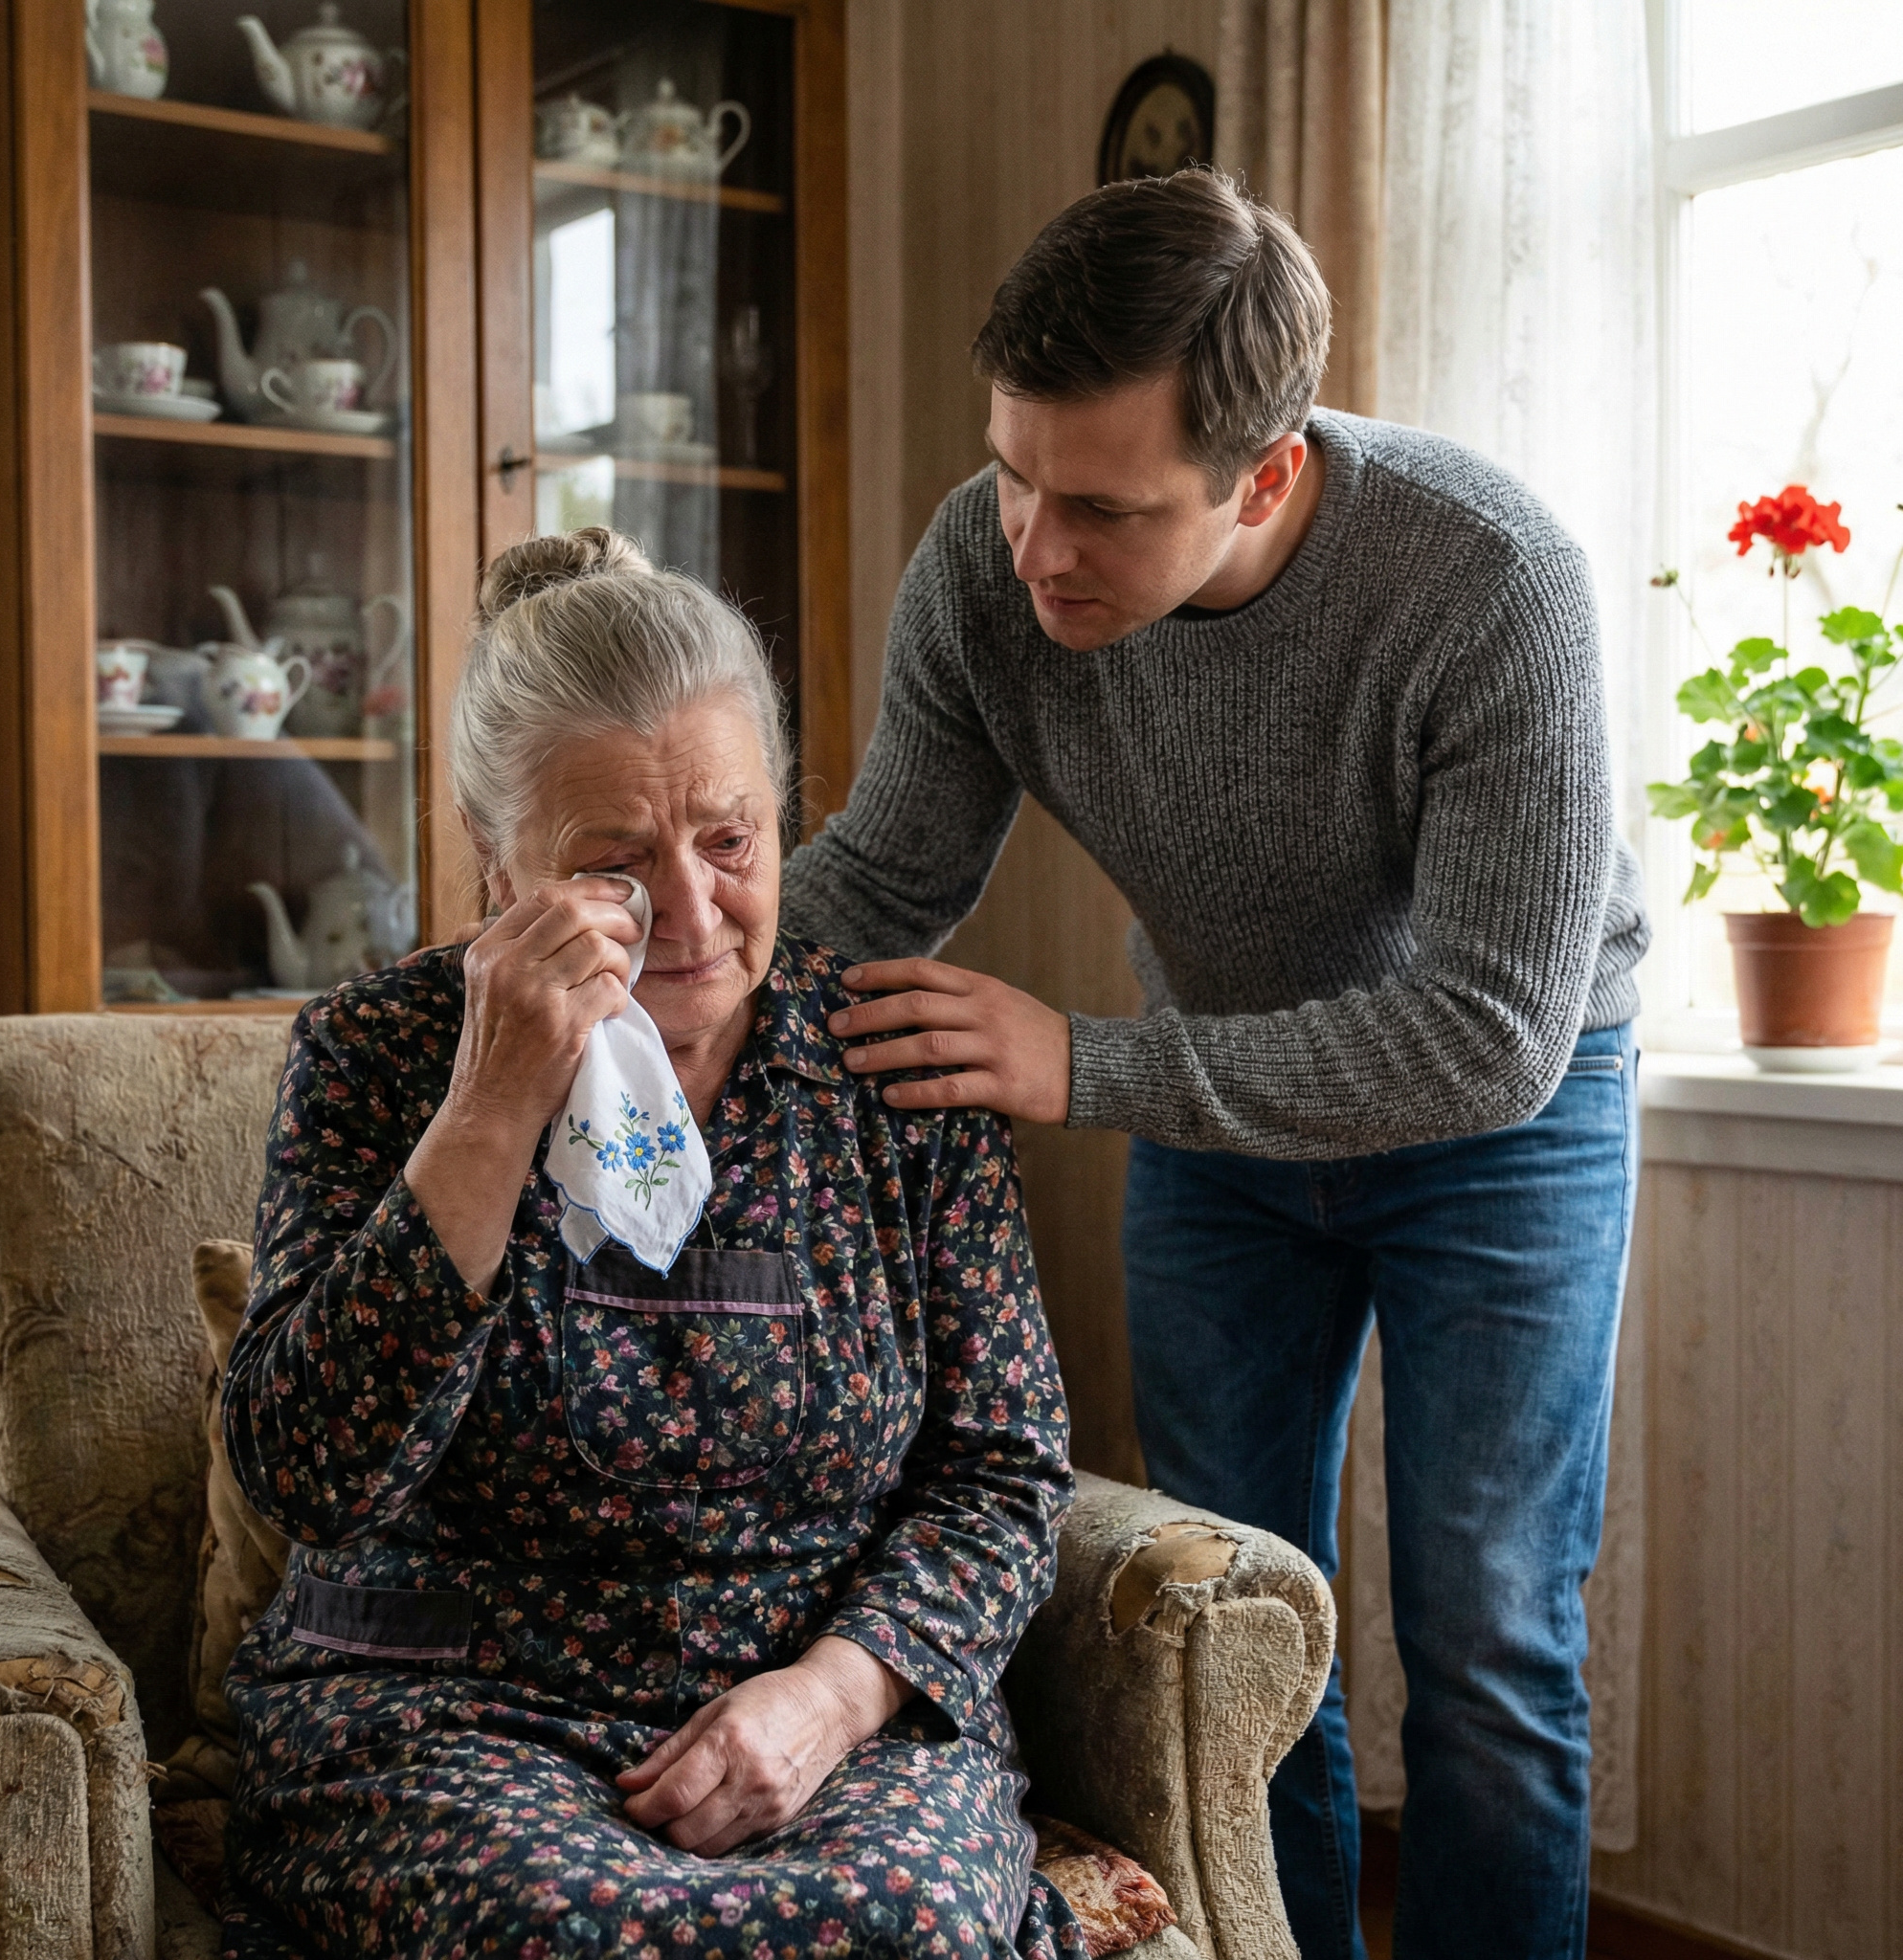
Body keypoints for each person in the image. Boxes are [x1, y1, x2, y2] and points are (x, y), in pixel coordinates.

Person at [779, 170, 1648, 1960]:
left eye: (1098, 506)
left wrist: (1084, 1064)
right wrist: (643, 952)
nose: (1031, 547)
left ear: (1265, 475)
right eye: (1012, 470)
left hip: (1510, 1116)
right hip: (1216, 1120)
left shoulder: (1493, 582)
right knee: (1238, 1632)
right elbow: (881, 879)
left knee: (1492, 1643)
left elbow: (1488, 1035)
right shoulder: (987, 560)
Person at [219, 529, 1078, 1958]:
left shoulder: (890, 1072)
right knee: (578, 1932)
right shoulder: (378, 1057)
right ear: (497, 866)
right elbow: (311, 1473)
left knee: (905, 1920)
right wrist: (494, 1099)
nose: (689, 913)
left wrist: (831, 1696)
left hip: (812, 1714)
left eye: (729, 840)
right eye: (615, 865)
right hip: (449, 1715)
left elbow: (1003, 1467)